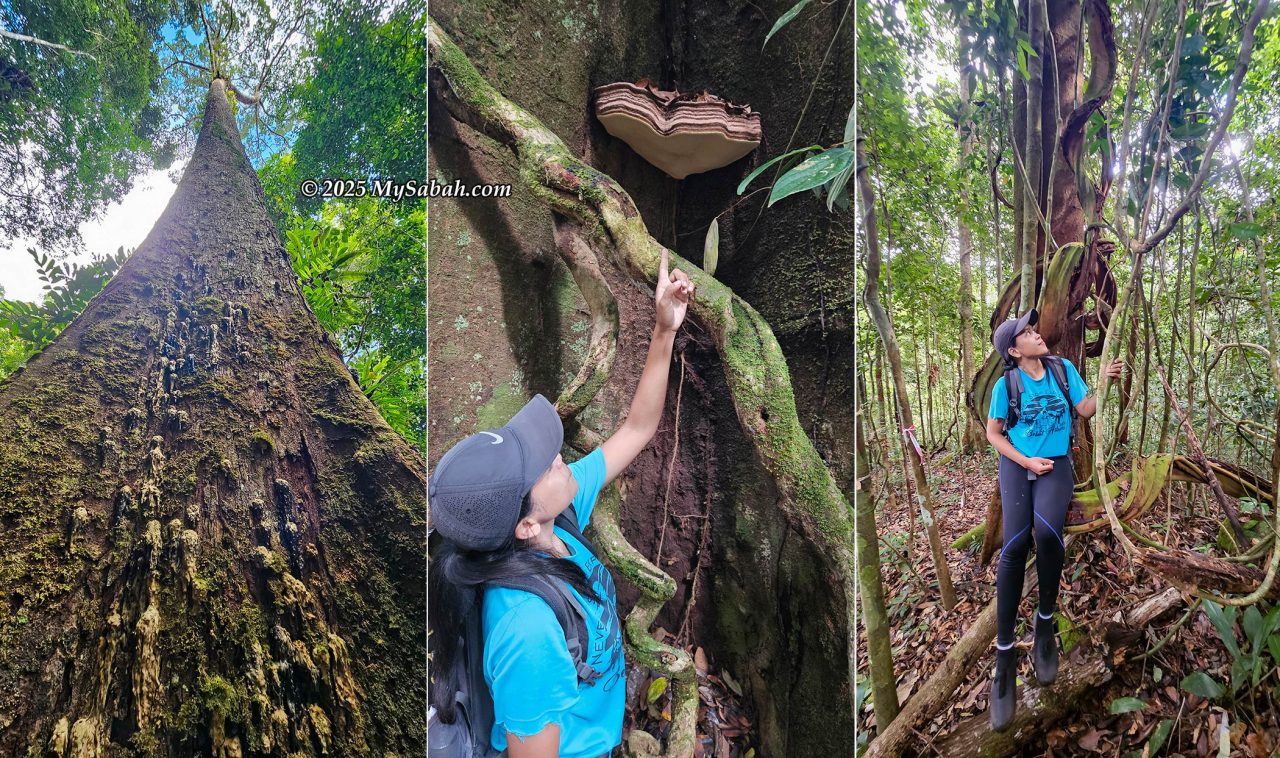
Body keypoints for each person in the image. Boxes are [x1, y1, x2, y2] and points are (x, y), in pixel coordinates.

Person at [428, 250, 693, 758]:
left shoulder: (560, 516)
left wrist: (664, 330)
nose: (558, 457)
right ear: (524, 526)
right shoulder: (525, 631)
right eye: (542, 465)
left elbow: (638, 429)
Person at [984, 308, 1122, 731]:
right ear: (1013, 349)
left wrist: (1104, 385)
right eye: (1025, 333)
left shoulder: (1062, 369)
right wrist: (1025, 459)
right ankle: (1004, 657)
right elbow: (993, 432)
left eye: (1033, 328)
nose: (1036, 334)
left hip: (1058, 463)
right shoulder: (1005, 384)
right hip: (1019, 463)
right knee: (1013, 544)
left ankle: (1044, 624)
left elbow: (1085, 410)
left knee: (1046, 533)